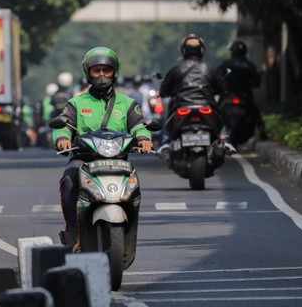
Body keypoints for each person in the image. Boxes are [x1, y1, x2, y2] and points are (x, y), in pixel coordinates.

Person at [53, 47, 153, 251]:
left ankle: (128, 228)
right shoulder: (76, 103)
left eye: (106, 70)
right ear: (87, 73)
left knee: (134, 190)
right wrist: (62, 138)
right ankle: (73, 231)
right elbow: (64, 125)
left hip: (119, 161)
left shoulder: (127, 103)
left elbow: (139, 125)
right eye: (96, 70)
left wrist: (144, 138)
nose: (101, 76)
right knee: (69, 180)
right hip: (84, 160)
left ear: (114, 72)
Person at [158, 33, 230, 151]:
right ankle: (224, 138)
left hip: (182, 106)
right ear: (202, 50)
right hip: (206, 105)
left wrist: (163, 93)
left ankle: (165, 143)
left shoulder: (177, 68)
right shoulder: (209, 68)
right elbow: (221, 88)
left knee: (168, 122)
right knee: (220, 115)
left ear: (184, 51)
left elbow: (164, 89)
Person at [218, 40, 268, 140]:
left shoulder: (226, 63)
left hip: (228, 94)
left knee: (217, 110)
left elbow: (218, 77)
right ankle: (263, 132)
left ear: (232, 51)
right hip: (244, 95)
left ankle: (214, 131)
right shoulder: (250, 65)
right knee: (255, 112)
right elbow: (256, 82)